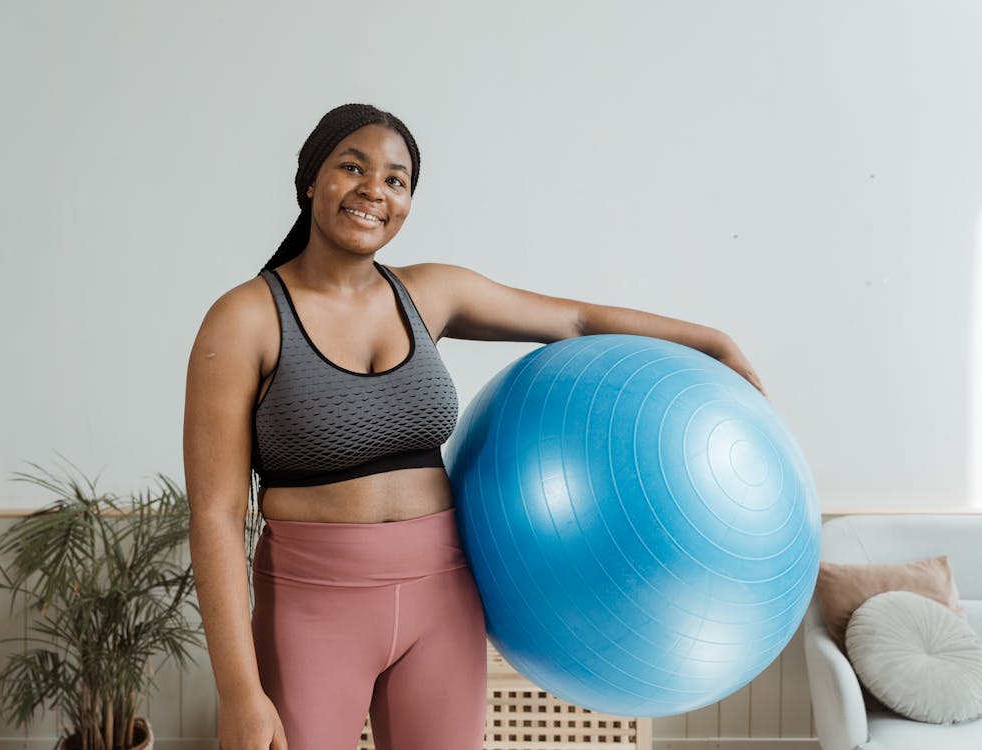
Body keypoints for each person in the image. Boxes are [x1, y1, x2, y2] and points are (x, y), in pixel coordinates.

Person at [182, 103, 767, 750]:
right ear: (310, 180)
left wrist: (710, 343)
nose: (374, 189)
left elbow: (572, 321)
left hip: (442, 596)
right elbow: (214, 513)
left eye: (396, 180)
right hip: (312, 607)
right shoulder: (245, 319)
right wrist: (241, 693)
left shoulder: (429, 293)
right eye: (352, 167)